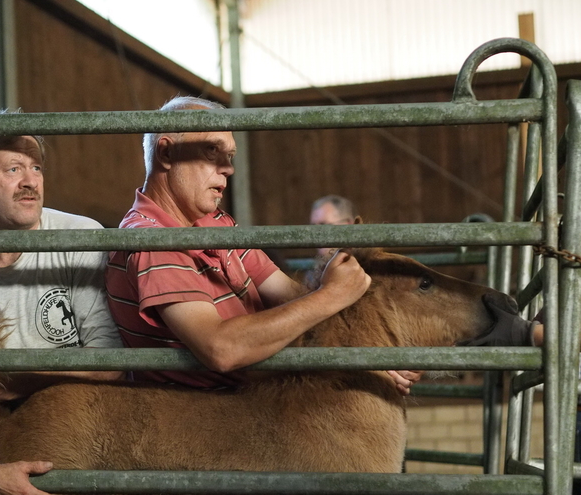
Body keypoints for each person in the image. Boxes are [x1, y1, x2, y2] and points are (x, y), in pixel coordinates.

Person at [105, 95, 419, 393]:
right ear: (167, 153)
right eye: (212, 151)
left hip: (253, 399)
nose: (228, 169)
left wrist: (372, 355)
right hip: (204, 415)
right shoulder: (150, 239)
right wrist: (332, 295)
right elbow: (221, 349)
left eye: (229, 157)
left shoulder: (214, 223)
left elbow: (290, 295)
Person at [0, 127, 125, 495]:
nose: (30, 181)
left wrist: (5, 383)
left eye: (36, 168)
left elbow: (109, 363)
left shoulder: (79, 236)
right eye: (13, 170)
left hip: (80, 422)